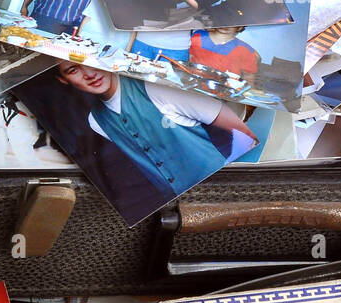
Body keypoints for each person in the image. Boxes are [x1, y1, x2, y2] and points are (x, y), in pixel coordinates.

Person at [51, 61, 256, 204]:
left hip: (228, 189)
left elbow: (246, 137)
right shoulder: (95, 120)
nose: (89, 73)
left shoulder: (157, 87)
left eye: (89, 61)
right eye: (73, 69)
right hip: (178, 205)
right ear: (63, 80)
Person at [189, 27, 261, 77]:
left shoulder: (245, 50)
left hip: (223, 92)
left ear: (240, 27)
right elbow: (184, 59)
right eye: (222, 19)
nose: (226, 25)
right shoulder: (197, 36)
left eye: (232, 23)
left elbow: (248, 77)